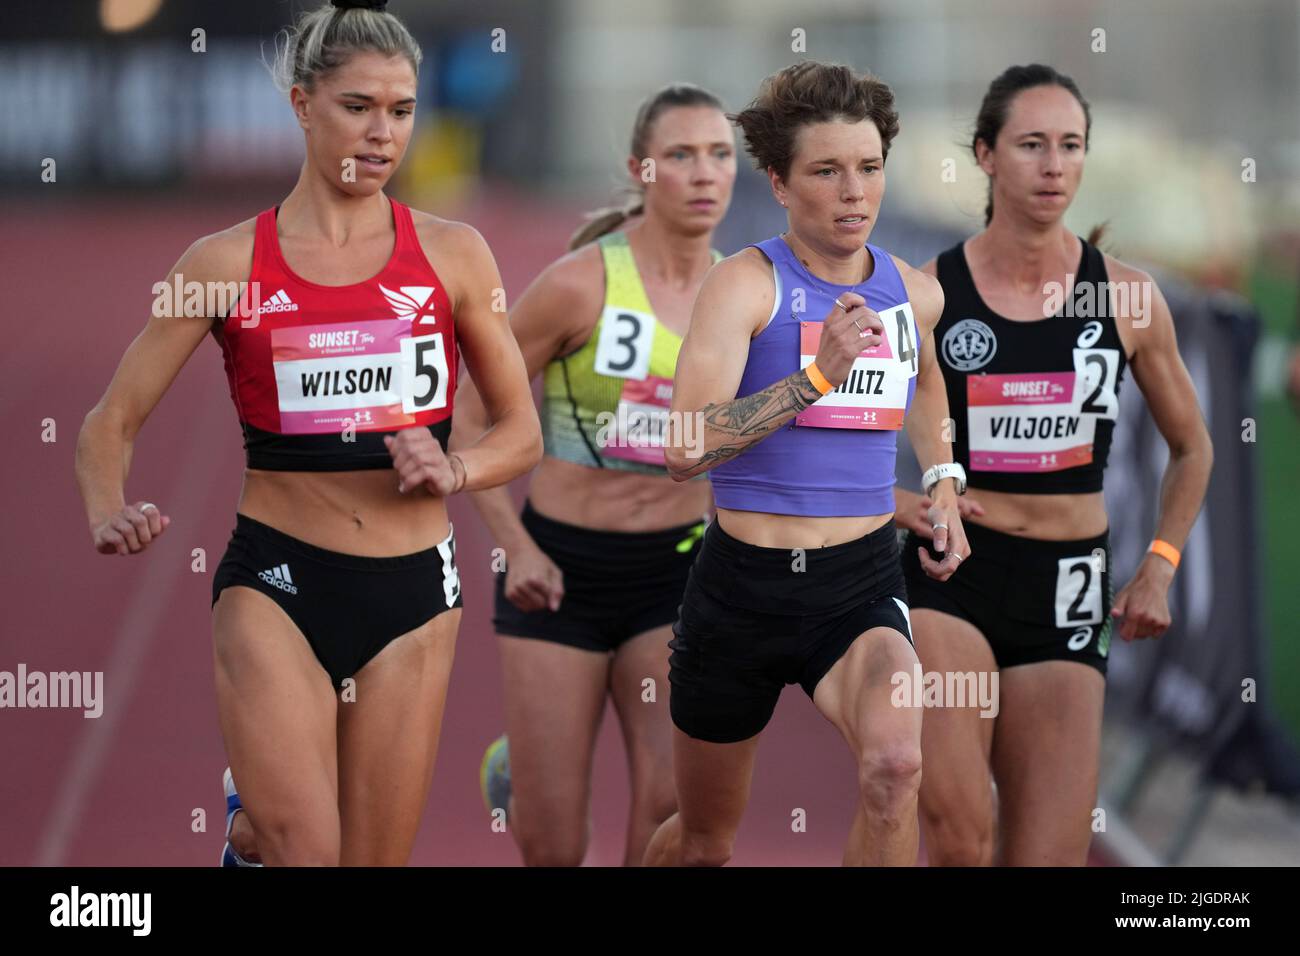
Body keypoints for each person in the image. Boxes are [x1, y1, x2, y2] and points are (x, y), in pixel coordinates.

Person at [74, 0, 540, 866]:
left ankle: (246, 839)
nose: (383, 133)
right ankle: (266, 836)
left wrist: (457, 466)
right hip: (277, 582)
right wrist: (108, 505)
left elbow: (520, 430)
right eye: (357, 107)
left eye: (401, 111)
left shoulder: (455, 255)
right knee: (307, 851)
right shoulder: (223, 264)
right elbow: (112, 419)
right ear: (301, 105)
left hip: (412, 596)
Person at [643, 60, 968, 867]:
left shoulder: (911, 292)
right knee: (704, 842)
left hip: (856, 586)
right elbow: (685, 448)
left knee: (896, 769)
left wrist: (943, 481)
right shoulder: (743, 286)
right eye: (827, 171)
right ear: (781, 184)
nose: (854, 191)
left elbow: (927, 383)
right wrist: (815, 377)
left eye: (869, 169)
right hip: (739, 590)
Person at [895, 63, 1214, 866]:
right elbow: (841, 426)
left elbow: (1193, 446)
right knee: (960, 835)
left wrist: (1160, 565)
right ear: (986, 156)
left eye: (1070, 145)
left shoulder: (1126, 299)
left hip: (1070, 583)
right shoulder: (935, 291)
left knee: (1048, 855)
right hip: (951, 575)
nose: (1053, 164)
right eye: (1031, 144)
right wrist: (898, 501)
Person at [455, 84, 736, 866]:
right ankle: (523, 770)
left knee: (670, 809)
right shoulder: (579, 285)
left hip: (677, 574)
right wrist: (515, 547)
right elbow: (472, 417)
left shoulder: (742, 296)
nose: (705, 173)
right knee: (553, 842)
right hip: (559, 574)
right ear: (641, 169)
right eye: (681, 155)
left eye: (720, 154)